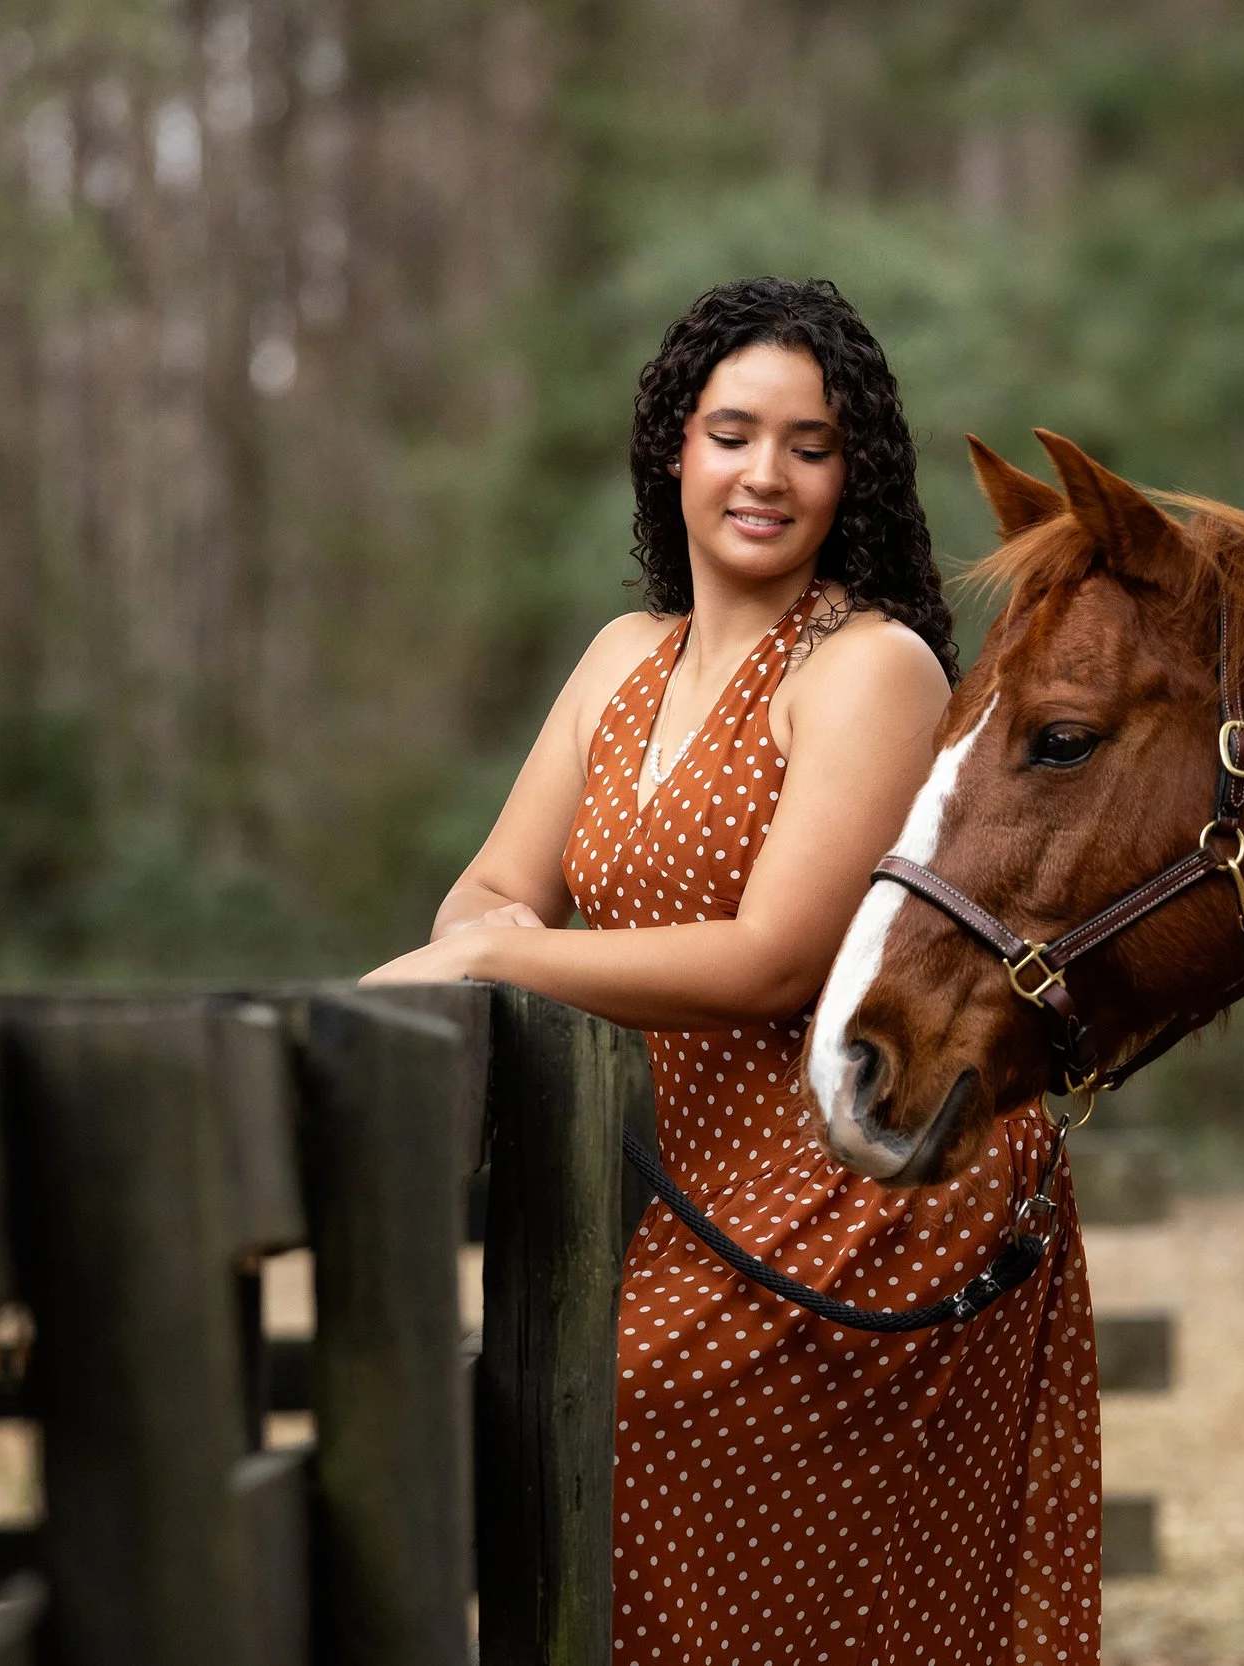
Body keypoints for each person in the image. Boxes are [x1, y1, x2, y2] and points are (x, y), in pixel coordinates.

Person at [363, 276, 1102, 1663]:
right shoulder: (615, 661)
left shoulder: (868, 667)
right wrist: (480, 937)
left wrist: (490, 954)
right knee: (571, 1424)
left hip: (861, 1183)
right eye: (734, 432)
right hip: (685, 1185)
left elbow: (775, 959)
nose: (767, 473)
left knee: (624, 1412)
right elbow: (492, 883)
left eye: (810, 445)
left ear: (851, 476)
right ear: (673, 451)